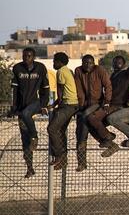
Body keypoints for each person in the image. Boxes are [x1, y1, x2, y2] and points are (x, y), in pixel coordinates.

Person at [86, 50, 129, 158]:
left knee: (92, 118)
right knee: (91, 124)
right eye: (115, 62)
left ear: (124, 64)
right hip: (110, 105)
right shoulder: (112, 76)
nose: (117, 64)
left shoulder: (126, 74)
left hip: (118, 106)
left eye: (119, 62)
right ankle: (111, 143)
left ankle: (109, 137)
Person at [8, 47, 50, 178]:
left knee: (27, 114)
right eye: (24, 56)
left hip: (36, 104)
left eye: (29, 56)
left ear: (34, 57)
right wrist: (13, 107)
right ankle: (30, 168)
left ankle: (35, 136)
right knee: (25, 141)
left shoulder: (41, 68)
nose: (26, 58)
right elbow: (14, 91)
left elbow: (46, 89)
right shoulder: (17, 69)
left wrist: (43, 104)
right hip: (22, 107)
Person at [74, 54, 112, 171]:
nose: (87, 65)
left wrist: (106, 102)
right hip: (85, 106)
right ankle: (81, 162)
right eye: (85, 63)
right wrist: (80, 106)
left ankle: (108, 138)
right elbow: (79, 90)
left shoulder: (100, 70)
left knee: (87, 118)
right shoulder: (79, 71)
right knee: (81, 134)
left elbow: (108, 86)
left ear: (94, 63)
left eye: (90, 63)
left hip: (98, 103)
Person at [48, 52, 79, 169]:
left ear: (60, 62)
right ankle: (63, 160)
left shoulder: (60, 71)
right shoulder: (67, 70)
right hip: (72, 104)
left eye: (54, 61)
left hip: (68, 105)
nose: (53, 63)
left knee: (52, 129)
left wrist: (56, 106)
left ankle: (59, 155)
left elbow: (60, 95)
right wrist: (53, 106)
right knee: (60, 131)